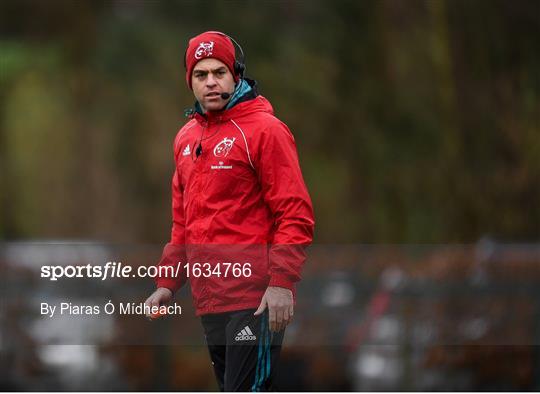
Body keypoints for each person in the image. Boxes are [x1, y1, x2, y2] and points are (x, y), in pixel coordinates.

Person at [144, 31, 314, 391]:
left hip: (256, 300)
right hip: (210, 301)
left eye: (219, 72)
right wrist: (168, 284)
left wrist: (282, 283)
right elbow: (183, 224)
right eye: (200, 75)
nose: (210, 82)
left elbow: (295, 214)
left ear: (235, 75)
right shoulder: (186, 139)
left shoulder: (266, 131)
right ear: (189, 81)